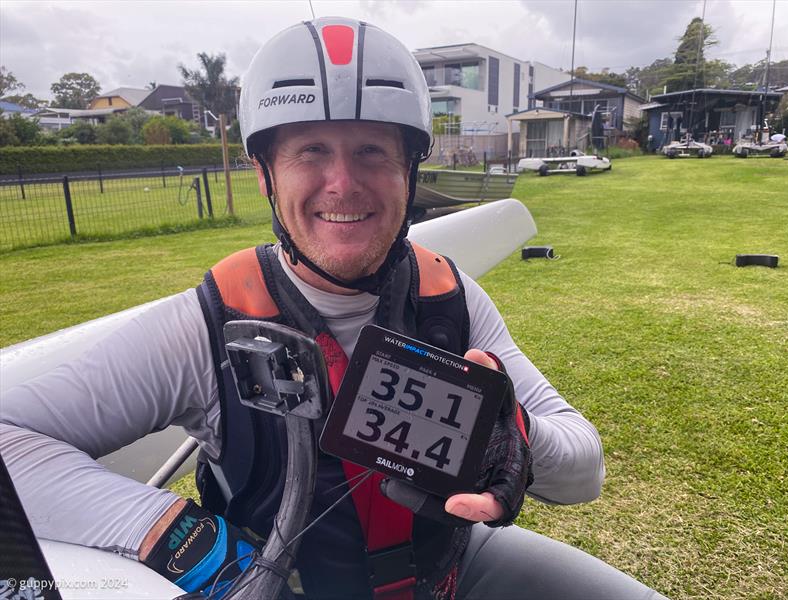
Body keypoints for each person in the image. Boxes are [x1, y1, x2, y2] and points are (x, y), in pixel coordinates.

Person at [0, 17, 667, 600]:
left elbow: (585, 471)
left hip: (448, 571)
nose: (342, 184)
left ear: (410, 171)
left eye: (372, 151)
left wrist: (515, 435)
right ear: (265, 175)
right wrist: (178, 540)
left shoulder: (450, 297)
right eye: (310, 151)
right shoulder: (206, 326)